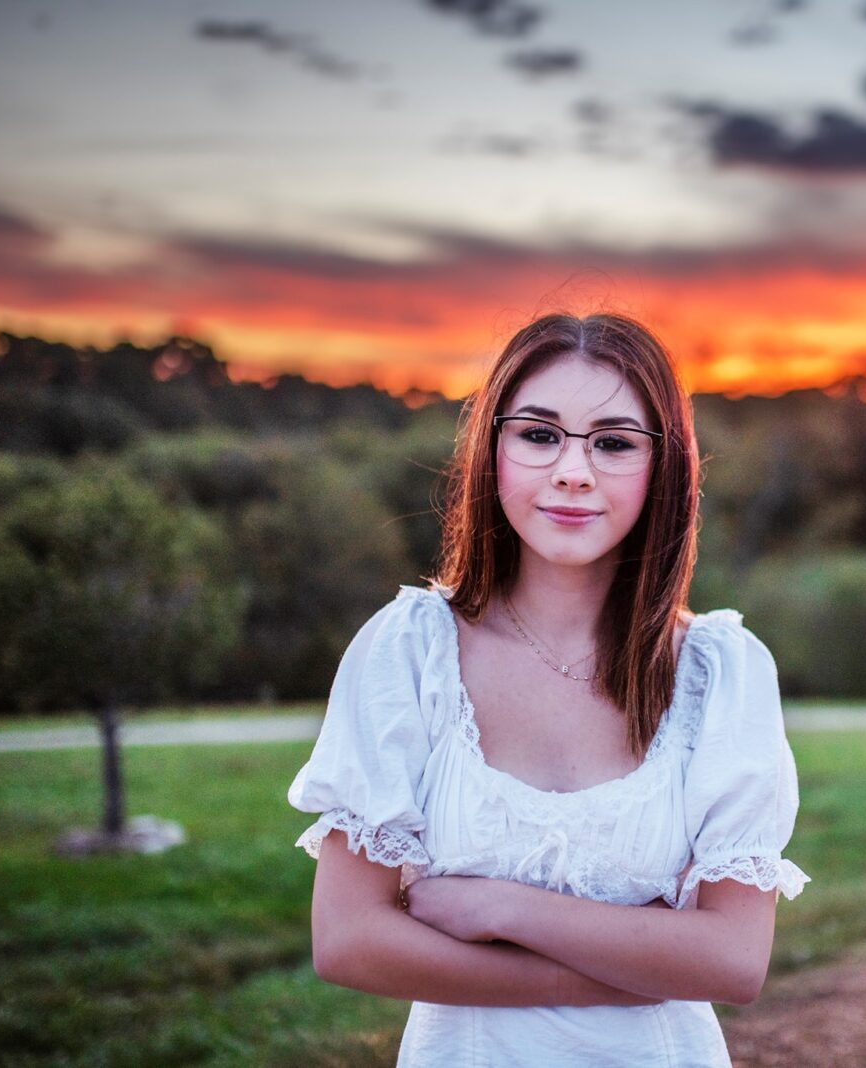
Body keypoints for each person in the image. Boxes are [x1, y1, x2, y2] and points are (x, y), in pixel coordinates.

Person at [286, 312, 811, 1066]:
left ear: (663, 467)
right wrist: (612, 971)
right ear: (492, 451)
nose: (573, 470)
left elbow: (731, 961)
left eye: (614, 442)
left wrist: (501, 907)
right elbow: (348, 941)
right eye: (539, 434)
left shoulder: (718, 672)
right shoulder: (410, 651)